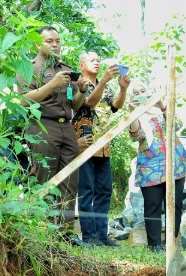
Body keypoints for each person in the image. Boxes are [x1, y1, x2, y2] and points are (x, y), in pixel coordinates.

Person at [17, 26, 91, 247]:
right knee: (45, 178)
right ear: (38, 44)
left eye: (58, 41)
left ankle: (65, 233)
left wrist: (81, 91)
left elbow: (74, 105)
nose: (55, 45)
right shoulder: (28, 68)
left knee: (70, 180)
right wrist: (53, 84)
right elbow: (23, 100)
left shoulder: (65, 70)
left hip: (66, 127)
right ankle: (44, 231)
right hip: (42, 127)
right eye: (49, 41)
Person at [128, 82, 186, 253]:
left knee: (175, 205)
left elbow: (177, 126)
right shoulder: (137, 115)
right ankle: (155, 245)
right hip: (150, 168)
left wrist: (162, 106)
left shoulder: (163, 110)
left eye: (143, 90)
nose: (141, 94)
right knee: (153, 206)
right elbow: (136, 135)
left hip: (175, 166)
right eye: (136, 93)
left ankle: (172, 241)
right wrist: (133, 111)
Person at [73, 51, 130, 247]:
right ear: (82, 65)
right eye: (92, 60)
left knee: (104, 190)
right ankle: (89, 235)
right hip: (85, 144)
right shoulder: (78, 84)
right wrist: (104, 80)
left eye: (98, 60)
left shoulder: (105, 86)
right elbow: (88, 103)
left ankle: (101, 233)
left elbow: (116, 106)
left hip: (104, 146)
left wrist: (122, 89)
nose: (96, 63)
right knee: (86, 191)